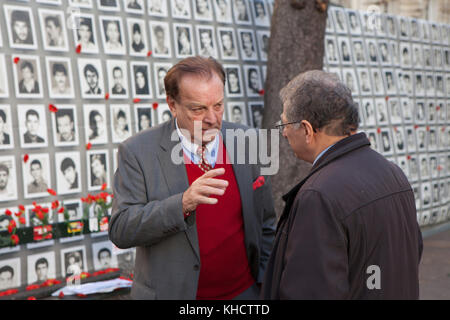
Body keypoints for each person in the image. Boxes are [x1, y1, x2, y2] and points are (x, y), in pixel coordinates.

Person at [109, 56, 276, 300]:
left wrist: (264, 283)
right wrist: (183, 204)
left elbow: (266, 224)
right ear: (172, 104)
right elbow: (121, 229)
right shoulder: (137, 151)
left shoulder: (248, 141)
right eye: (198, 108)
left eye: (218, 105)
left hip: (245, 295)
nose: (212, 118)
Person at [261, 70, 422, 299]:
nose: (284, 133)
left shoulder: (318, 195)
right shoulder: (393, 173)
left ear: (307, 130)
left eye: (285, 124)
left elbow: (311, 291)